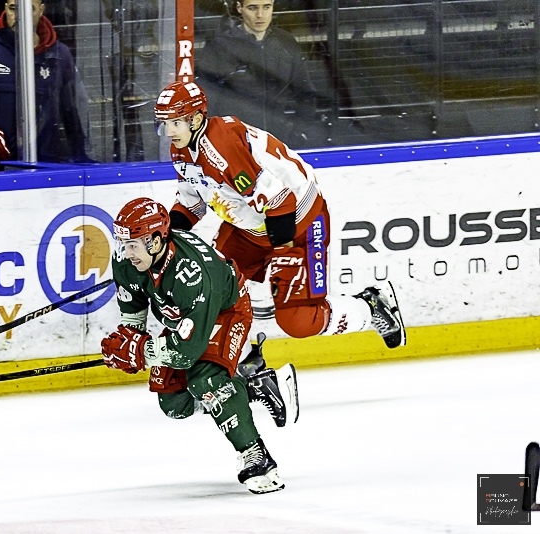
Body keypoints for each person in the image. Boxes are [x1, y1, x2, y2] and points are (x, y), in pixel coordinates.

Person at [153, 80, 406, 366]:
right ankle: (244, 359)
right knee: (210, 288)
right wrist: (161, 240)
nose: (169, 131)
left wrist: (283, 255)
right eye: (164, 123)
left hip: (298, 223)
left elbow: (280, 201)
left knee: (297, 321)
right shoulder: (183, 148)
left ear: (197, 118)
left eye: (176, 122)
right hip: (249, 227)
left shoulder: (222, 148)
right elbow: (192, 203)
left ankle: (371, 307)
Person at [101, 197, 300, 494]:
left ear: (156, 240)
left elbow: (184, 353)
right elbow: (134, 313)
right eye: (123, 244)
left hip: (226, 311)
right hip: (185, 321)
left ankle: (257, 457)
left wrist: (141, 352)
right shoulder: (127, 261)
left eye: (133, 245)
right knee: (174, 404)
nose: (126, 253)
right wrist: (128, 343)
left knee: (206, 380)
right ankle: (254, 383)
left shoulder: (192, 274)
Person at [0, 0, 91, 163]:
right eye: (13, 8)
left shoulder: (59, 55)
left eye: (29, 9)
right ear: (5, 9)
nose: (20, 16)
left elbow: (71, 110)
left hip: (46, 164)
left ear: (41, 10)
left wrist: (80, 156)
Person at [196, 0, 327, 149]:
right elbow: (206, 100)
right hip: (235, 145)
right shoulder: (220, 47)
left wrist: (298, 134)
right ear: (240, 8)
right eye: (253, 8)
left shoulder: (286, 42)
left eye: (266, 7)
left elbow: (306, 94)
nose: (260, 15)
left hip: (278, 143)